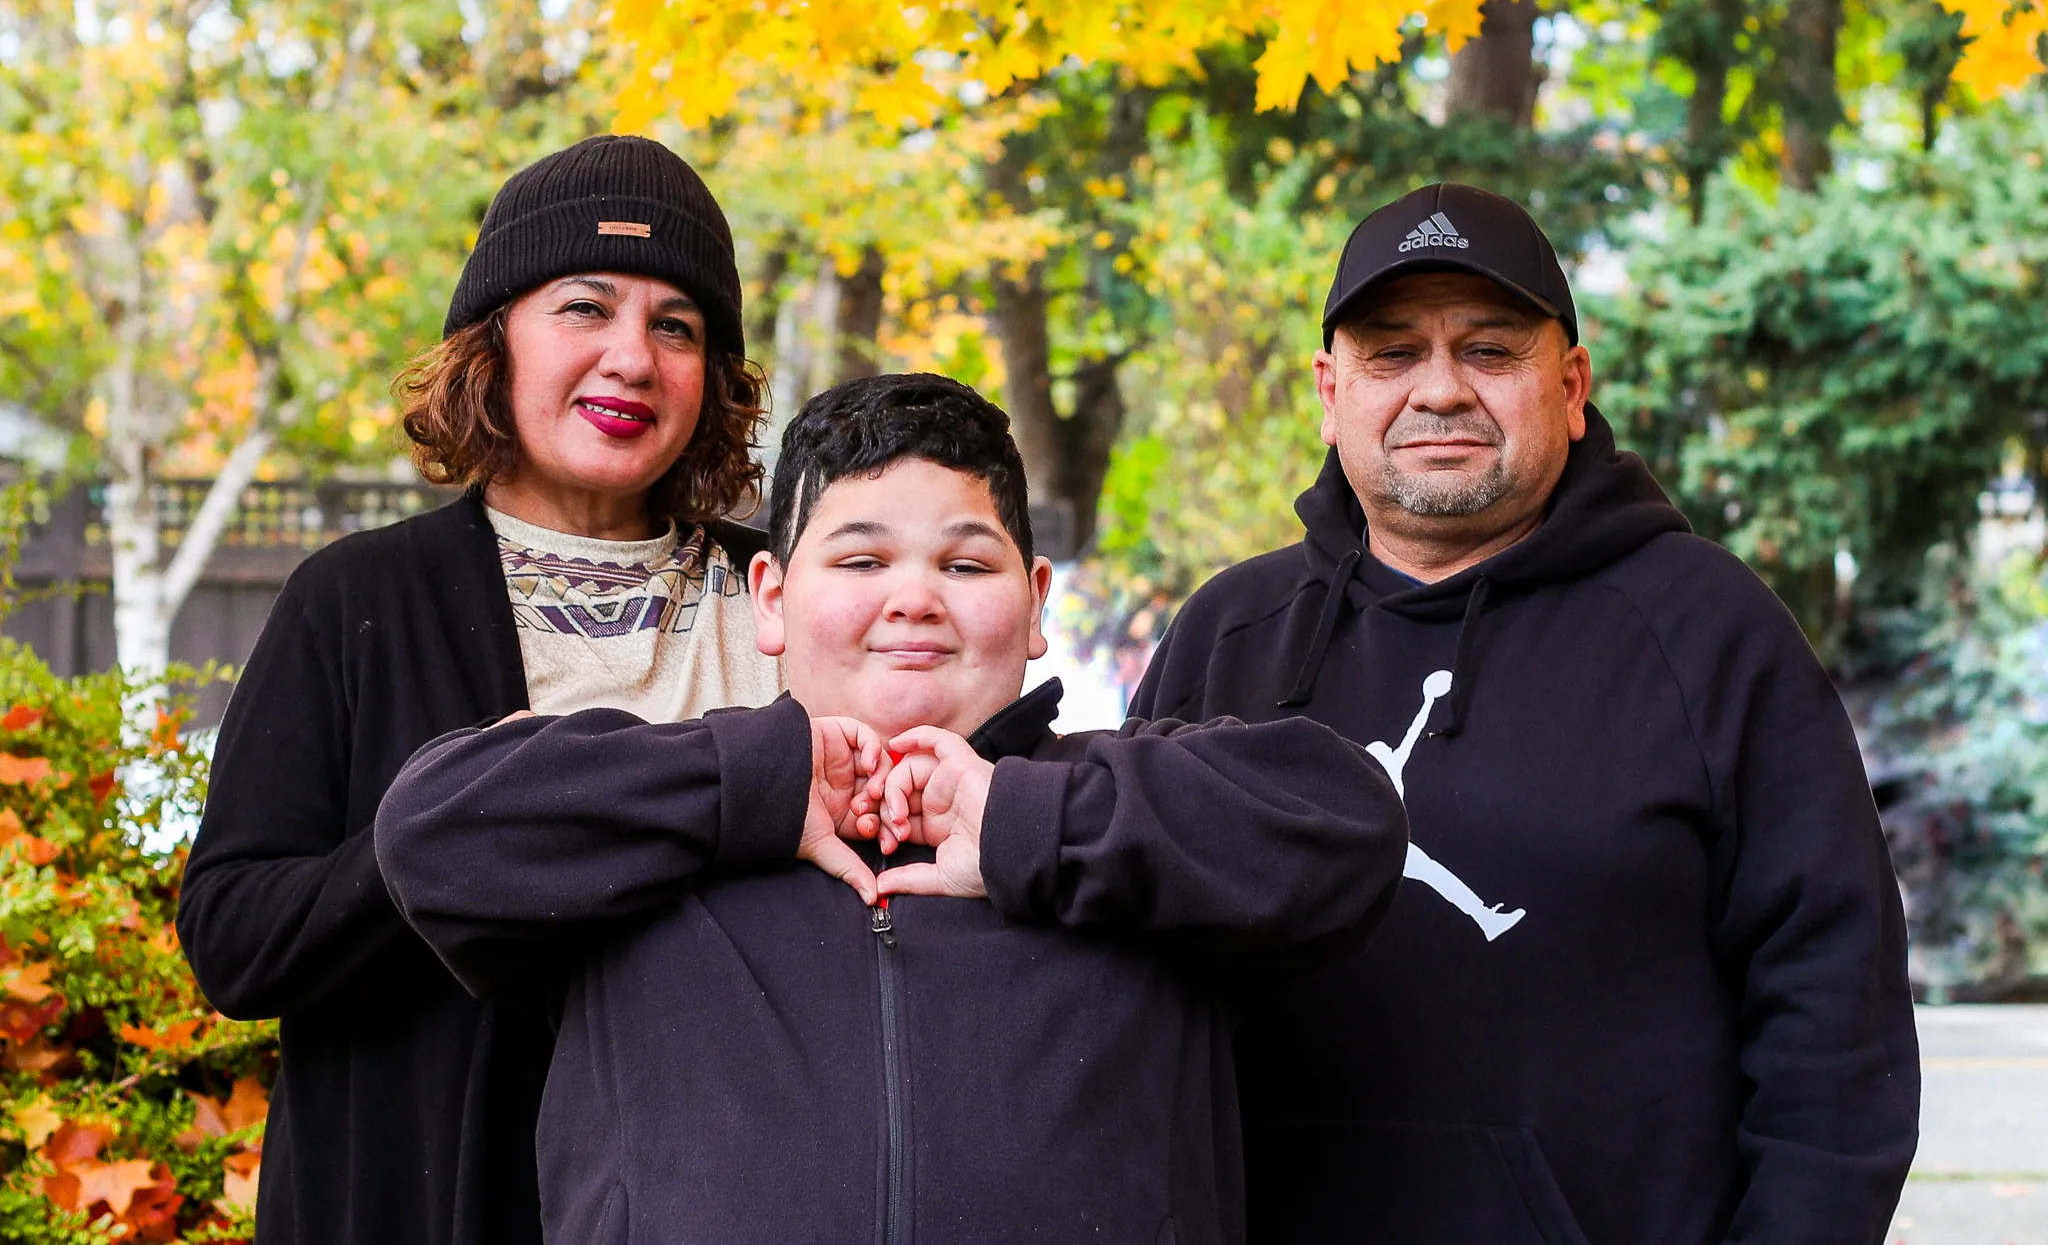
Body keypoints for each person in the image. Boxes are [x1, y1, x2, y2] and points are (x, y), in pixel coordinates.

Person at [373, 373, 1410, 1245]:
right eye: (862, 559)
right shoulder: (656, 815)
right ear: (769, 596)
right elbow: (428, 832)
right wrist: (761, 788)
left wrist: (1018, 822)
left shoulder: (1126, 811)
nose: (913, 597)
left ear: (1035, 601)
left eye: (964, 563)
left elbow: (1345, 829)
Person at [1133, 184, 1920, 1244]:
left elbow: (1835, 1017)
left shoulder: (1705, 631)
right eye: (1392, 352)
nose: (1439, 390)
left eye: (1489, 350)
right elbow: (1121, 975)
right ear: (1329, 391)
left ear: (1570, 382)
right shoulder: (1227, 636)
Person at [176, 135, 783, 1245]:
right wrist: (445, 836)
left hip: (741, 1186)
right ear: (492, 339)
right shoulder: (357, 599)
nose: (632, 359)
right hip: (436, 1198)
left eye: (677, 325)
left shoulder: (791, 587)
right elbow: (235, 935)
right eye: (585, 307)